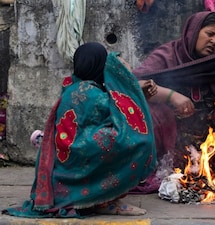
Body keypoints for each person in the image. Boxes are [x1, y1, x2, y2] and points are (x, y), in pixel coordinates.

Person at [2, 42, 157, 218]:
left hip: (69, 151)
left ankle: (102, 198)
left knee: (116, 136)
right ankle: (105, 200)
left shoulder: (72, 85)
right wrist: (131, 87)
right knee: (136, 140)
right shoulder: (93, 94)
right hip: (79, 151)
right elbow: (123, 117)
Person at [132, 11, 215, 188]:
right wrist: (172, 96)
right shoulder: (168, 54)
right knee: (149, 109)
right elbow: (134, 85)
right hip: (173, 137)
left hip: (210, 138)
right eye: (209, 34)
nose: (214, 41)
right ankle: (160, 168)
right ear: (193, 31)